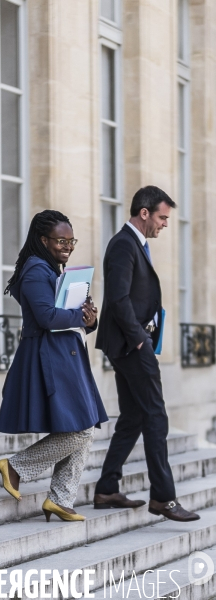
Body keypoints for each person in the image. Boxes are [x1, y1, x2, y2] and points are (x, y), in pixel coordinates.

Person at [0, 210, 108, 523]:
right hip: (49, 357)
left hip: (65, 355)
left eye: (71, 240)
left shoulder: (53, 270)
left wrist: (90, 318)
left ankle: (60, 499)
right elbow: (45, 316)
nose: (68, 246)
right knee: (80, 430)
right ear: (44, 240)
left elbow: (66, 315)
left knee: (81, 427)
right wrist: (78, 318)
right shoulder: (34, 270)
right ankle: (16, 467)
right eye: (61, 240)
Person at [93, 186, 200, 522]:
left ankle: (107, 488)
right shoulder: (124, 244)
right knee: (156, 416)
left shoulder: (133, 244)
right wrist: (140, 339)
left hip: (128, 344)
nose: (165, 224)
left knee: (134, 417)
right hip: (130, 345)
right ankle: (164, 499)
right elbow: (118, 298)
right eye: (162, 217)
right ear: (144, 212)